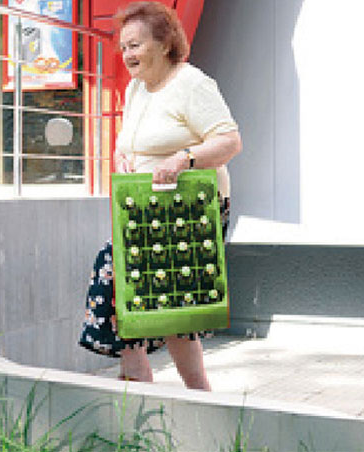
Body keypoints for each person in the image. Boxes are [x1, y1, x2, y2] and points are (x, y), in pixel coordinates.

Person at [77, 1, 242, 390]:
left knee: (133, 284)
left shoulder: (192, 84)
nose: (127, 54)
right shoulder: (136, 88)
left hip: (189, 212)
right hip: (145, 210)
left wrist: (184, 159)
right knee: (153, 305)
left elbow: (230, 141)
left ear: (165, 43)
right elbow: (131, 142)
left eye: (135, 45)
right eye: (123, 46)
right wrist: (122, 155)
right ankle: (153, 384)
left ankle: (160, 383)